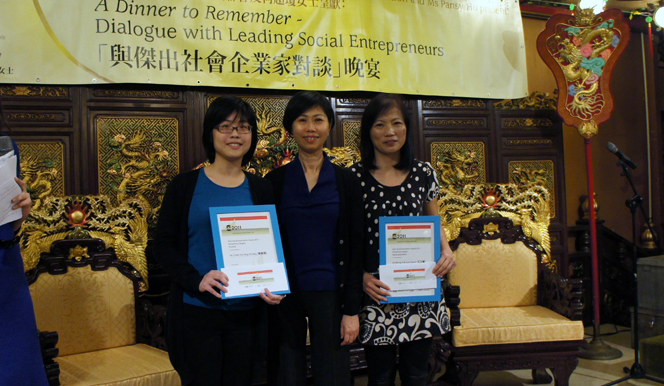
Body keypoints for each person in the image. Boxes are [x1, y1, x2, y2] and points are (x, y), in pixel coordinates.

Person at [154, 96, 283, 386]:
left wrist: (276, 284)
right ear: (210, 134)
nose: (235, 134)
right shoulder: (184, 186)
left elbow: (273, 247)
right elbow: (161, 245)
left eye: (244, 127)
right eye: (226, 126)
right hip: (197, 312)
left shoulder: (261, 188)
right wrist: (196, 279)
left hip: (248, 316)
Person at [349, 94, 456, 386]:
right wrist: (360, 278)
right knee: (380, 377)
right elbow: (347, 238)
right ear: (368, 131)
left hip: (419, 290)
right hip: (377, 291)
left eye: (397, 123)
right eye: (380, 124)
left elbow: (435, 223)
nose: (390, 132)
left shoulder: (424, 173)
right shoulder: (354, 178)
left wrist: (446, 251)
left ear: (407, 128)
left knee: (417, 375)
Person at [265, 91, 364, 386]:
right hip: (285, 296)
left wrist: (351, 310)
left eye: (318, 119)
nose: (311, 128)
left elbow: (357, 246)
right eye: (302, 120)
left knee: (332, 375)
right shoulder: (274, 181)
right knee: (287, 375)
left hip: (332, 293)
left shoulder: (347, 181)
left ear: (329, 126)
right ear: (290, 128)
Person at [0, 131, 49, 385]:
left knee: (16, 369)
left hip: (6, 271)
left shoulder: (6, 146)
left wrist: (22, 211)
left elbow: (9, 227)